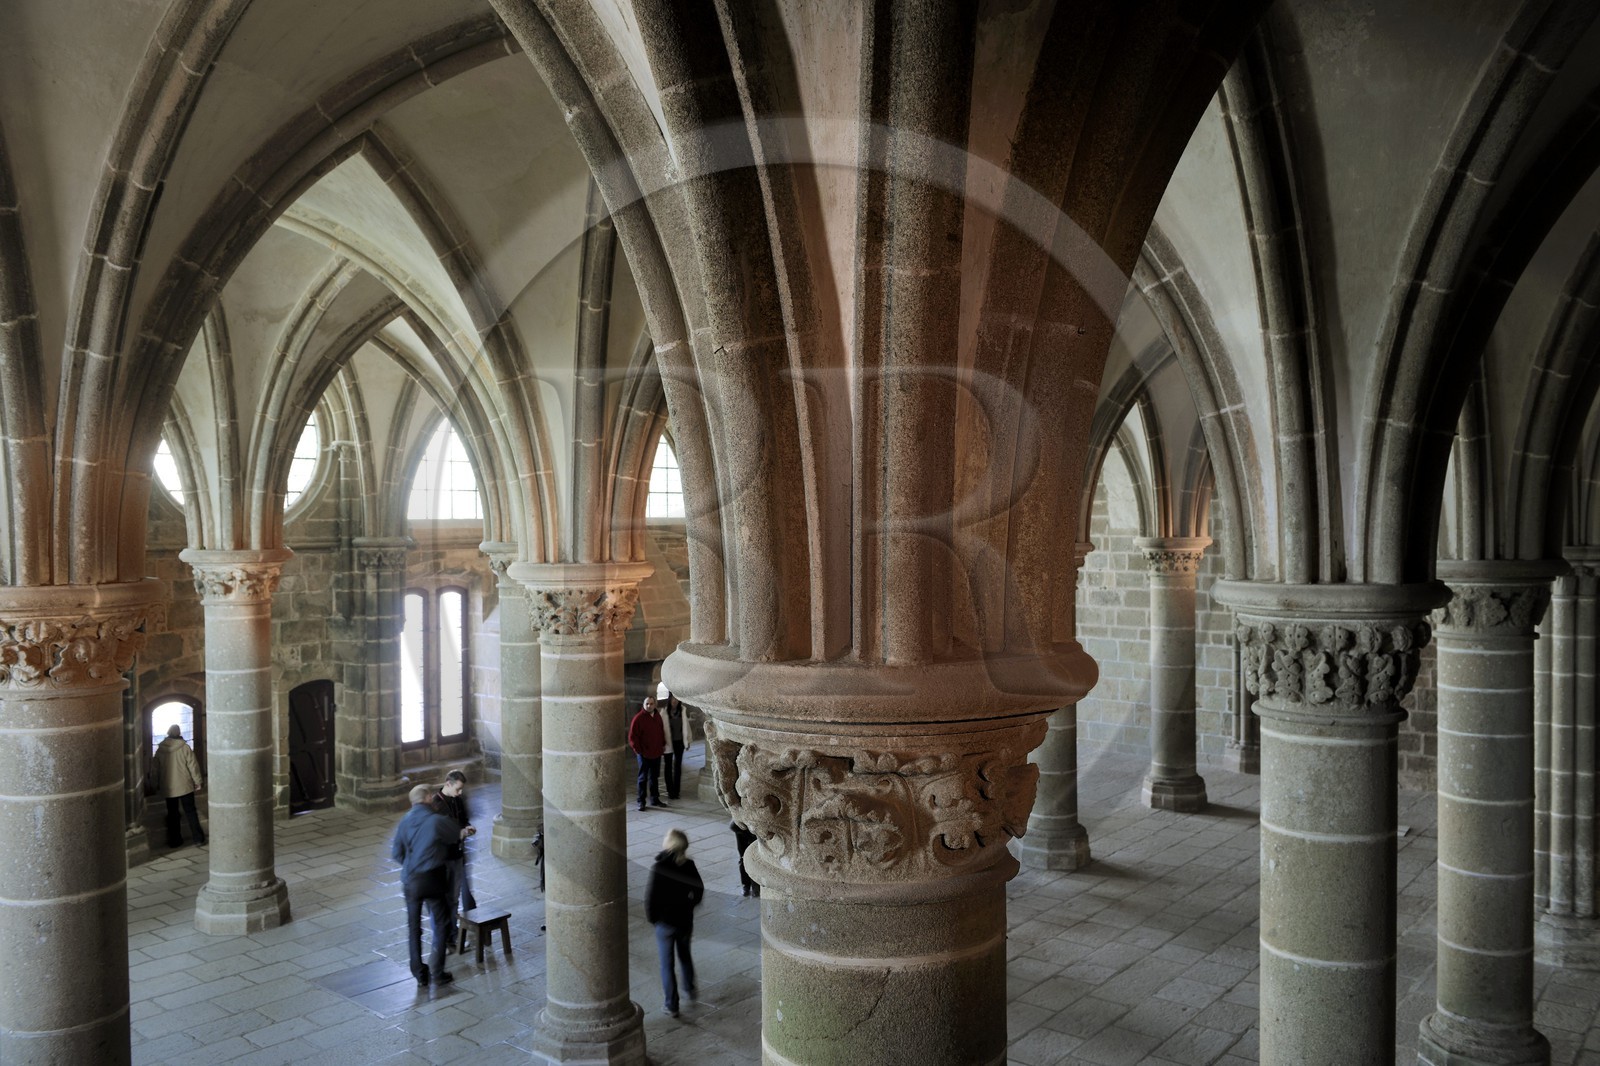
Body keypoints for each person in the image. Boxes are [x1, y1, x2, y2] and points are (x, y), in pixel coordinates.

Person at [393, 783, 466, 987]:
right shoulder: (436, 821)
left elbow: (396, 853)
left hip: (410, 880)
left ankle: (419, 973)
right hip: (432, 878)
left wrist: (411, 865)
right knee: (441, 924)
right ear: (427, 799)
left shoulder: (404, 821)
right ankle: (438, 971)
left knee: (414, 927)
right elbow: (455, 835)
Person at [645, 828, 704, 1018]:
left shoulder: (660, 868)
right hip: (684, 920)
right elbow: (699, 890)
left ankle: (672, 1005)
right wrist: (690, 905)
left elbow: (651, 897)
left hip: (665, 924)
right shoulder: (689, 865)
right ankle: (690, 987)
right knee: (685, 955)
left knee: (666, 965)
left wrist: (653, 918)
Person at [430, 770, 477, 949]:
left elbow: (463, 819)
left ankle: (455, 932)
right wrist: (459, 833)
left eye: (461, 790)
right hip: (445, 858)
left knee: (456, 897)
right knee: (448, 899)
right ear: (447, 784)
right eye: (457, 789)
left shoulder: (457, 799)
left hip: (458, 854)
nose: (460, 793)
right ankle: (446, 937)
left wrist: (467, 827)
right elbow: (440, 832)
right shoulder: (436, 804)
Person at [153, 724, 206, 847]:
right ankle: (198, 838)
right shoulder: (185, 747)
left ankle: (175, 840)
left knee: (173, 814)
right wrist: (198, 781)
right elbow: (193, 766)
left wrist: (155, 784)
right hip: (185, 785)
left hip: (169, 786)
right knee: (191, 812)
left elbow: (155, 769)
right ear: (179, 733)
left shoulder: (161, 749)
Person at [627, 694, 668, 811]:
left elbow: (660, 731)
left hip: (656, 752)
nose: (649, 705)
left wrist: (662, 745)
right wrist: (638, 751)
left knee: (654, 777)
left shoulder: (657, 716)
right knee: (643, 778)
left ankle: (655, 799)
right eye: (647, 704)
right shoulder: (638, 718)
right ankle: (641, 801)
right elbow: (632, 737)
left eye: (651, 703)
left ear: (655, 705)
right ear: (643, 705)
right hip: (643, 754)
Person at [658, 683, 693, 801]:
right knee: (668, 767)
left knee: (678, 767)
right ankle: (670, 791)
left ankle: (676, 791)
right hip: (668, 743)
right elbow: (660, 729)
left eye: (677, 699)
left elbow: (686, 727)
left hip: (679, 743)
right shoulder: (664, 712)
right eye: (673, 699)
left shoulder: (682, 711)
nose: (675, 701)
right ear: (670, 699)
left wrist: (687, 741)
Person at [731, 818, 759, 897]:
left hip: (754, 830)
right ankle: (746, 886)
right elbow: (733, 825)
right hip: (742, 831)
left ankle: (755, 887)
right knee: (743, 858)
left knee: (755, 859)